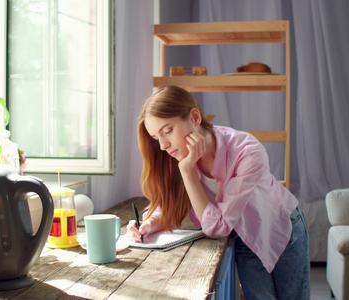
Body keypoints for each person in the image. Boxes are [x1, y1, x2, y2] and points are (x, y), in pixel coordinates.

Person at [126, 85, 310, 299]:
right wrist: (148, 224)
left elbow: (218, 227)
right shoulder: (175, 154)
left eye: (167, 131)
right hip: (242, 237)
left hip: (281, 228)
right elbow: (169, 204)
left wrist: (187, 172)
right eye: (156, 138)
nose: (163, 145)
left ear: (194, 117)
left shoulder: (248, 151)